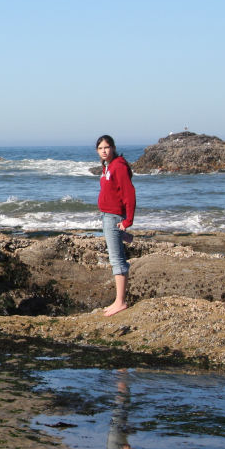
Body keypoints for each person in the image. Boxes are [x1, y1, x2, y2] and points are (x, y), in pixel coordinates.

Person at [97, 134, 137, 316]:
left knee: (116, 260)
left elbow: (129, 194)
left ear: (112, 147)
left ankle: (120, 301)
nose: (104, 151)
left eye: (106, 147)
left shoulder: (118, 167)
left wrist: (128, 221)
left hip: (113, 217)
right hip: (107, 216)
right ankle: (124, 236)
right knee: (115, 256)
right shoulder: (108, 167)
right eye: (100, 148)